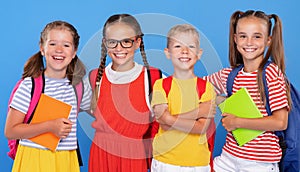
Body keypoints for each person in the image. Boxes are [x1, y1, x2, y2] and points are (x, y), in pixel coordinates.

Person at [204, 10, 291, 172]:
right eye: (243, 36)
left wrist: (237, 122)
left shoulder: (271, 74)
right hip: (229, 157)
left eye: (257, 36)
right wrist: (222, 101)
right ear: (235, 39)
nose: (249, 42)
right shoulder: (229, 75)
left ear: (268, 40)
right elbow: (196, 87)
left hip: (259, 163)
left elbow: (280, 122)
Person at [4, 20, 92, 172]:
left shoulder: (79, 87)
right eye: (52, 44)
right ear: (42, 49)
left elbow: (102, 114)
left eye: (66, 45)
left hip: (66, 159)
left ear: (74, 51)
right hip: (34, 159)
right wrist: (50, 126)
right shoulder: (29, 86)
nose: (59, 50)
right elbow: (10, 131)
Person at [150, 24, 216, 172]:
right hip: (164, 161)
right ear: (167, 53)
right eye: (178, 46)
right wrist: (199, 111)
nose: (185, 51)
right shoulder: (160, 85)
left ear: (199, 54)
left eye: (191, 46)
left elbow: (201, 128)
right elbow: (164, 122)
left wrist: (169, 118)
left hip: (197, 162)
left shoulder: (206, 87)